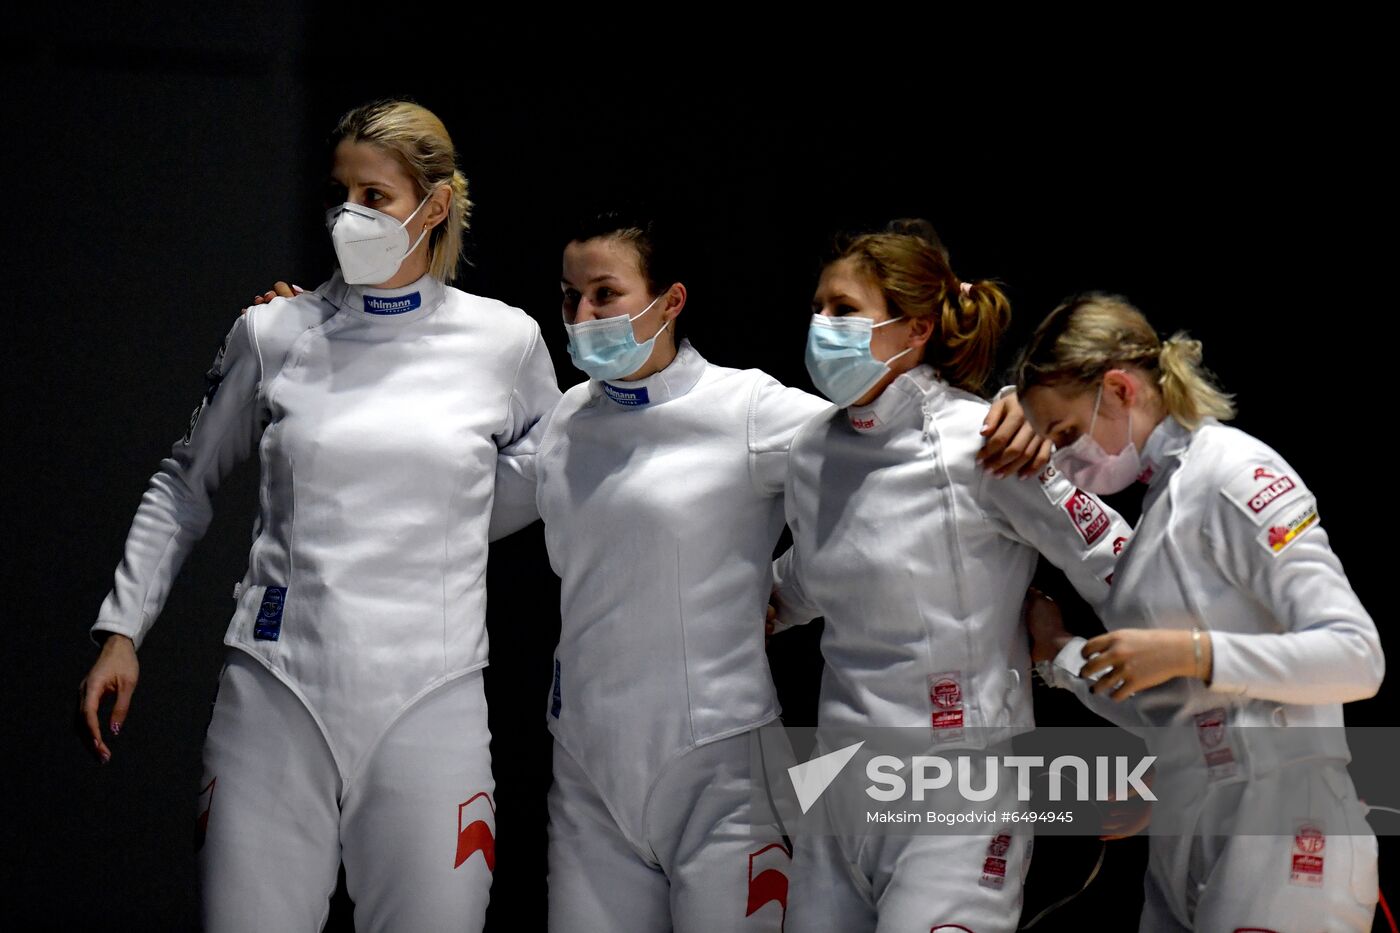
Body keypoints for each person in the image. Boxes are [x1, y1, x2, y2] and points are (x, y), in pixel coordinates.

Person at [77, 99, 560, 932]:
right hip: (275, 691)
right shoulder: (272, 330)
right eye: (342, 193)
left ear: (433, 205)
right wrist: (123, 626)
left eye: (375, 197)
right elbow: (183, 482)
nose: (350, 215)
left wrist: (434, 524)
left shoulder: (505, 343)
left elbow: (554, 476)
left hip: (432, 700)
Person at [767, 221, 1133, 932]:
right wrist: (752, 607)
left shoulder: (985, 442)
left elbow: (1124, 565)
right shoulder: (813, 449)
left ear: (919, 326)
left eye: (844, 309)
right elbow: (811, 576)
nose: (822, 324)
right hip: (839, 789)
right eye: (818, 307)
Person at [1016, 292, 1382, 931]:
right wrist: (1059, 654)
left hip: (1285, 826)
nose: (1062, 456)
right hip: (1189, 830)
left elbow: (1357, 657)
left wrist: (1194, 652)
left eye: (1067, 433)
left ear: (1120, 389)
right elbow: (1173, 707)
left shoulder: (1235, 472)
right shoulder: (1161, 510)